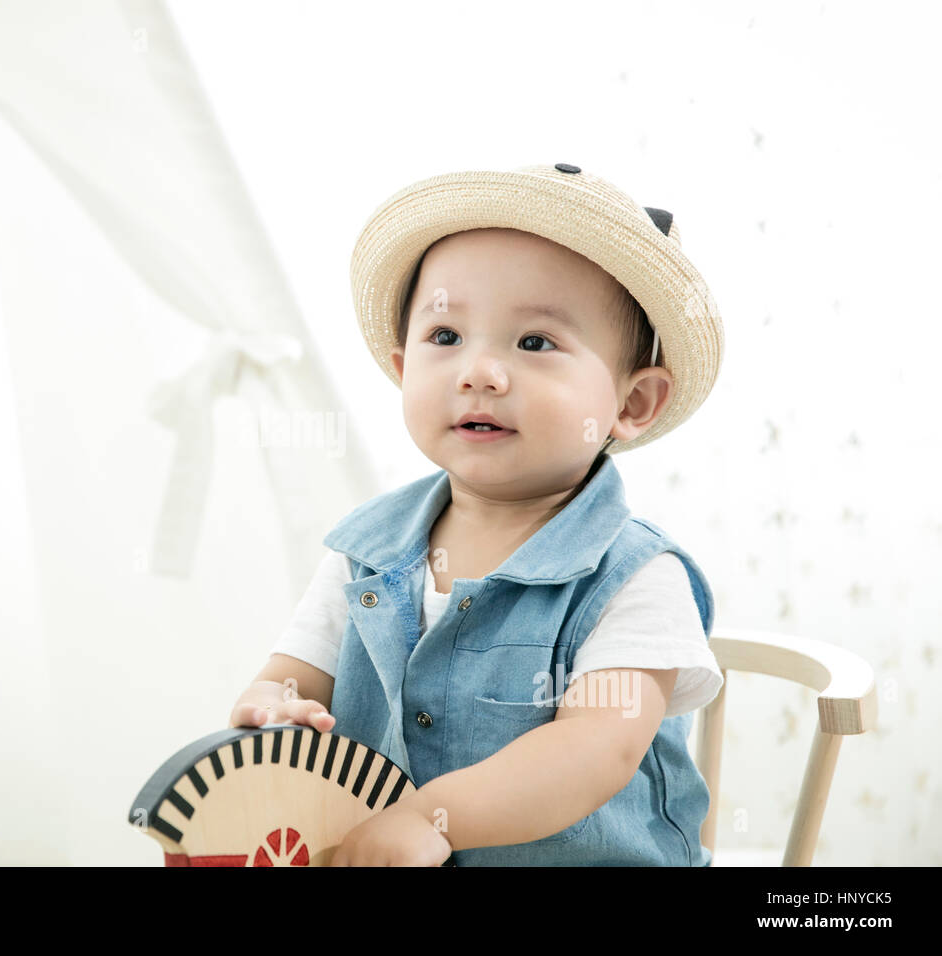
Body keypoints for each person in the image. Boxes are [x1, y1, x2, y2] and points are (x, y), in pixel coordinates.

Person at [228, 163, 725, 866]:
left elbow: (595, 747)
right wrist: (276, 709)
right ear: (404, 368)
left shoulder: (635, 577)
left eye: (534, 343)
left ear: (632, 403)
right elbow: (294, 675)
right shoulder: (365, 552)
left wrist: (433, 818)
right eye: (445, 337)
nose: (479, 373)